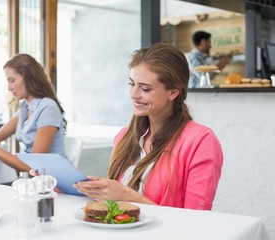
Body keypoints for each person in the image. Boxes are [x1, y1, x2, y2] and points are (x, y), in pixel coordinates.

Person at [70, 43, 223, 210]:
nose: (133, 94)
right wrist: (74, 188)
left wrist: (125, 195)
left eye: (145, 88)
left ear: (173, 92)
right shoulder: (124, 136)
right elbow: (112, 204)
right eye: (131, 84)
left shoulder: (201, 142)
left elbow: (196, 222)